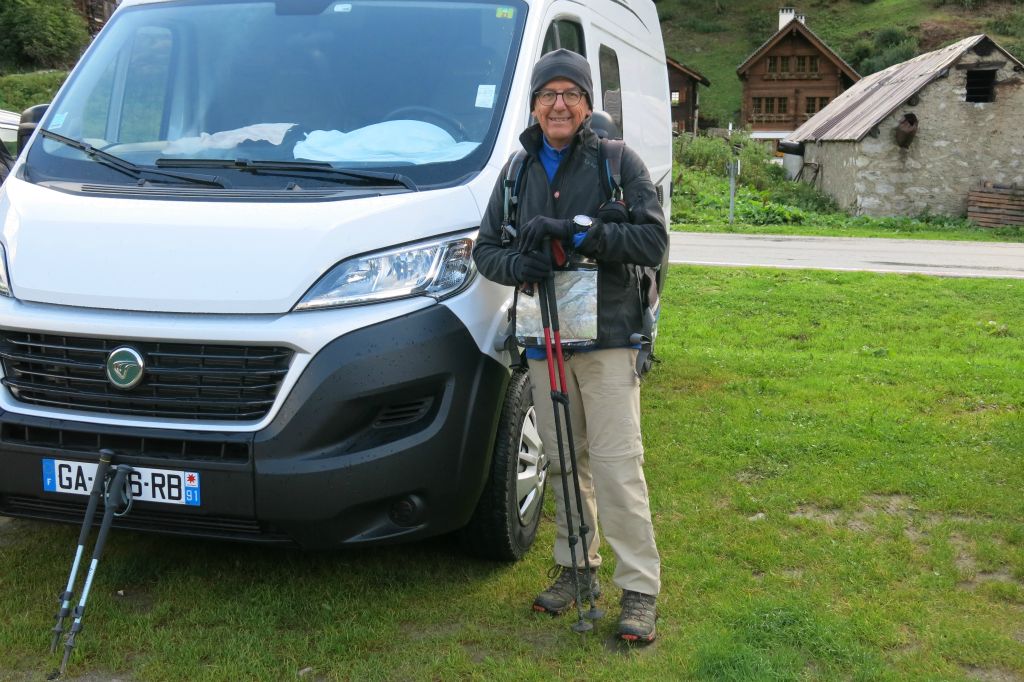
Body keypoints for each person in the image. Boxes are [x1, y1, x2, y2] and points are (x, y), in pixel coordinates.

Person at [472, 49, 667, 643]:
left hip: (607, 336)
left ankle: (639, 589)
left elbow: (652, 240)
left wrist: (581, 233)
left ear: (587, 105)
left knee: (615, 464)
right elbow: (486, 251)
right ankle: (577, 569)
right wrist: (519, 261)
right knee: (563, 462)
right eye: (548, 94)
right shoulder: (516, 172)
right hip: (545, 338)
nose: (559, 104)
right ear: (533, 104)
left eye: (571, 94)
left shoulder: (615, 160)